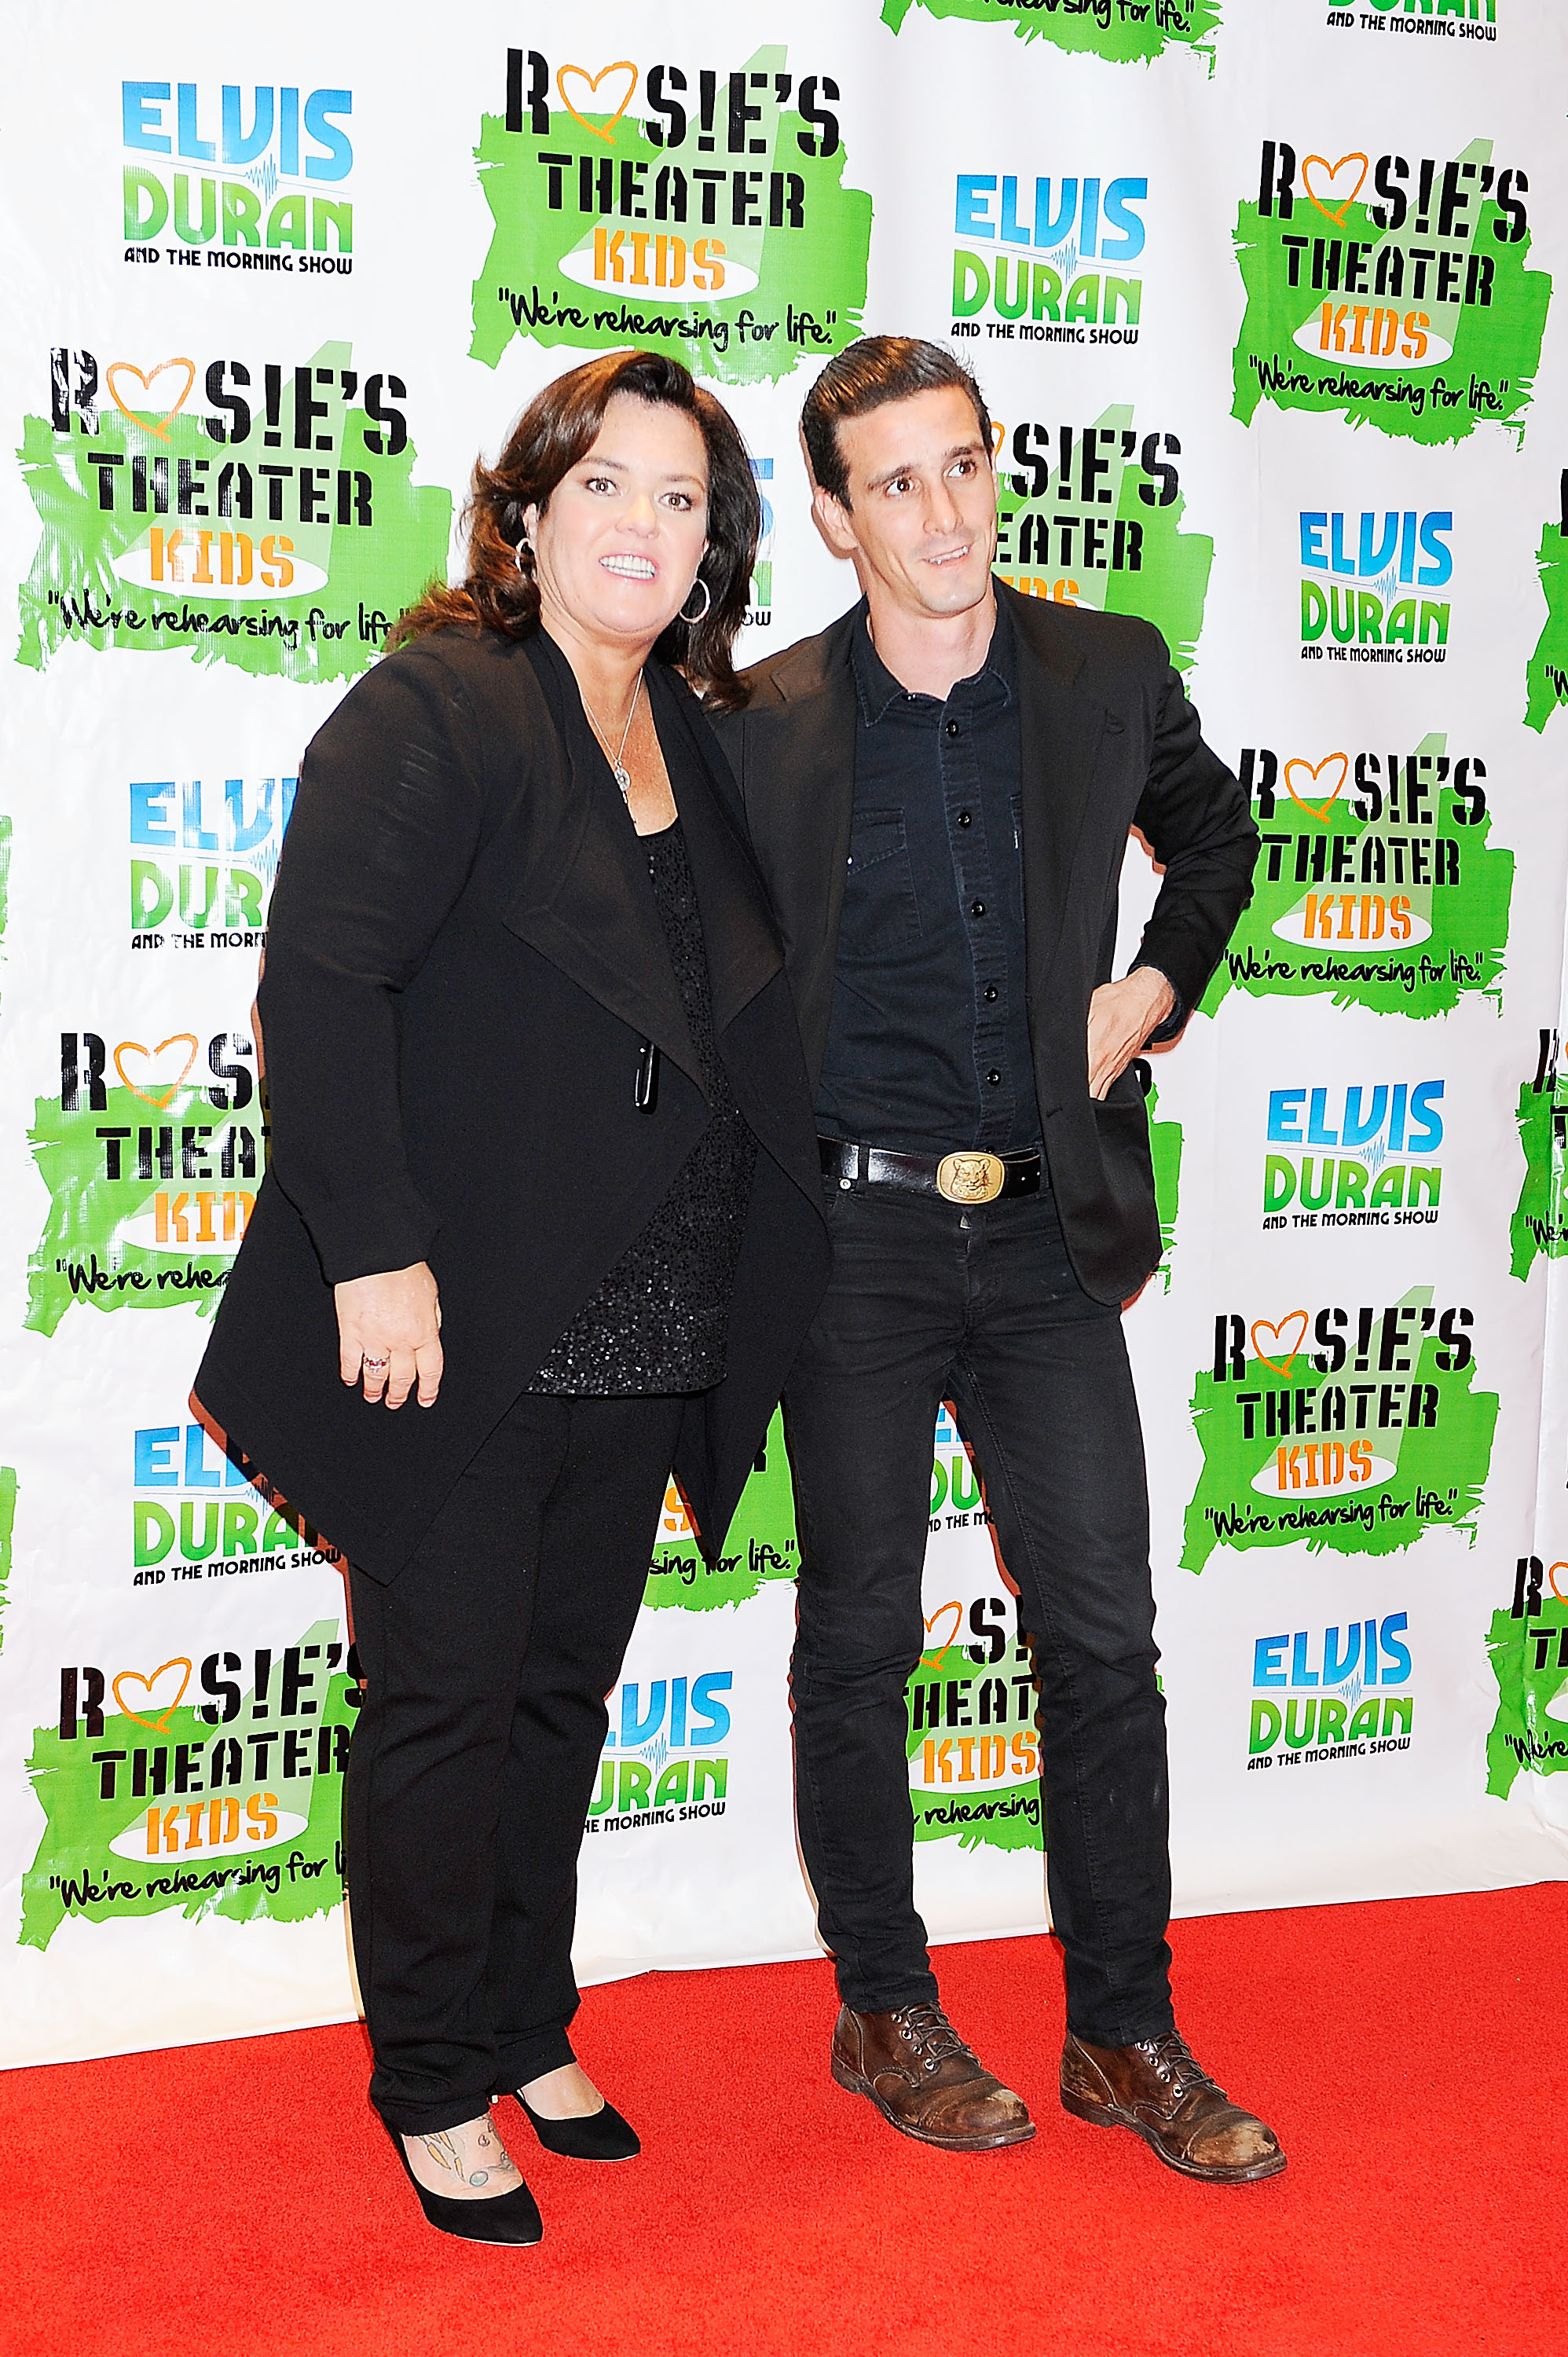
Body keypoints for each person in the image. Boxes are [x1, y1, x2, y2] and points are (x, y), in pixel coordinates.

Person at [193, 349, 829, 2243]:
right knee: (446, 1706)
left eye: (681, 497)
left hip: (644, 1319)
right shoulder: (438, 706)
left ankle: (521, 2014)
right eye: (605, 484)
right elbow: (322, 989)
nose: (643, 523)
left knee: (559, 1698)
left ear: (714, 547)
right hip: (460, 1321)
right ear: (528, 514)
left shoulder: (693, 737)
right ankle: (426, 2076)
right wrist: (374, 1256)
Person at [713, 337, 1277, 2182]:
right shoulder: (762, 719)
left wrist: (1154, 984)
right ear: (832, 515)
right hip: (851, 1242)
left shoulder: (1103, 668)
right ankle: (884, 2009)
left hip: (1044, 1233)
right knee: (856, 1636)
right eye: (895, 481)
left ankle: (1123, 2031)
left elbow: (1213, 834)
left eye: (961, 464)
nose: (942, 510)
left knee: (1103, 1634)